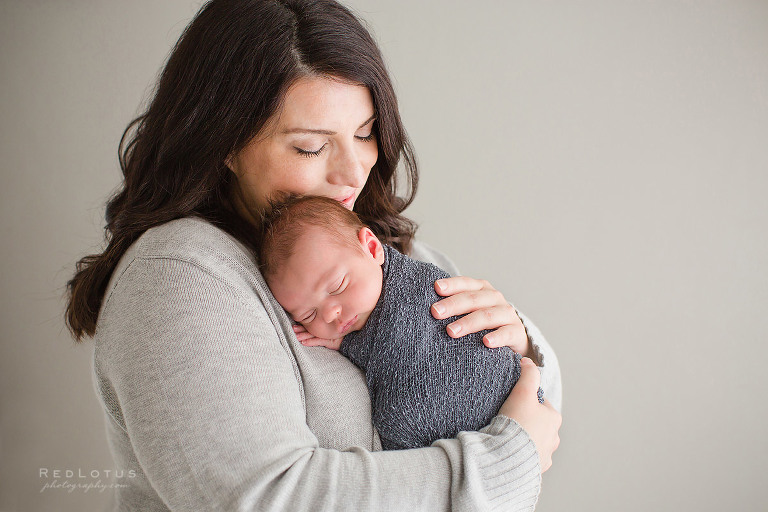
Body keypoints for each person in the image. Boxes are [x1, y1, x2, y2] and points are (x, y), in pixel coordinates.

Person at [65, 0, 562, 510]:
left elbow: (539, 415)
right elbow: (265, 496)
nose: (353, 171)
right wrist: (498, 467)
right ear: (224, 145)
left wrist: (518, 337)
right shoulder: (180, 276)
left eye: (365, 133)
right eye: (310, 147)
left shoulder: (384, 253)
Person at [259, 195, 546, 451]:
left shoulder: (417, 283)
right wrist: (346, 342)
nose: (330, 314)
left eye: (337, 287)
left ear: (372, 249)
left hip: (500, 392)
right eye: (308, 315)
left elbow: (402, 339)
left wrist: (523, 344)